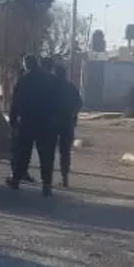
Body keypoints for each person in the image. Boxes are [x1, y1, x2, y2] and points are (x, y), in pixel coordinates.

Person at [7, 54, 60, 196]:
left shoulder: (23, 80)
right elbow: (58, 102)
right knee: (46, 155)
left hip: (27, 121)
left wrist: (12, 121)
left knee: (23, 153)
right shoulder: (50, 80)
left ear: (27, 65)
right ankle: (47, 184)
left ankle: (16, 179)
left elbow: (15, 102)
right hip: (46, 122)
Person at [53, 61, 82, 187]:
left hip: (52, 123)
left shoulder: (51, 87)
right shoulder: (70, 87)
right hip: (67, 122)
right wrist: (73, 114)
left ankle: (47, 180)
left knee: (48, 151)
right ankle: (65, 179)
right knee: (65, 152)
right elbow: (79, 103)